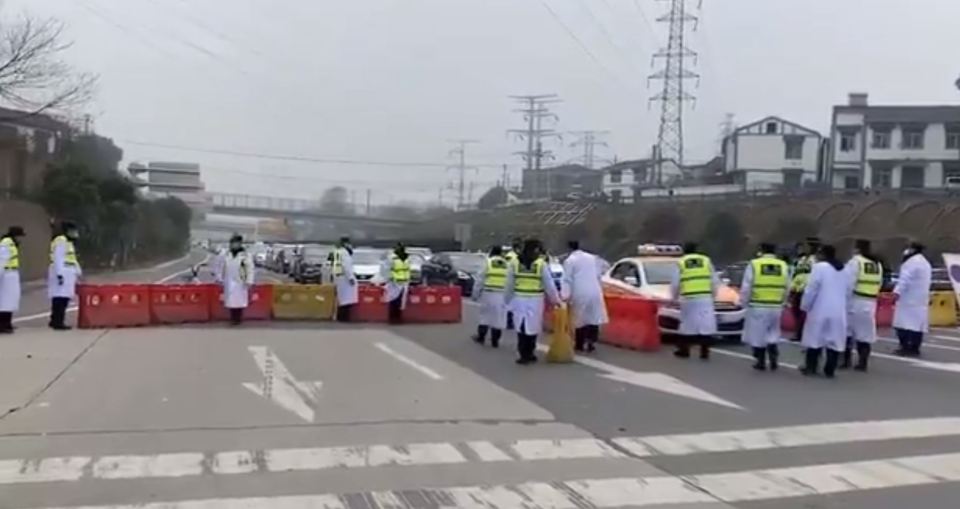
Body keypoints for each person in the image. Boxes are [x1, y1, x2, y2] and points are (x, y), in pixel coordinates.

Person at [504, 239, 561, 365]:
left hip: (519, 298)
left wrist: (506, 300)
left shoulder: (514, 262)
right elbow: (549, 284)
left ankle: (523, 353)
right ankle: (530, 352)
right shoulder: (541, 264)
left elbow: (509, 283)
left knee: (521, 326)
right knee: (533, 326)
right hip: (535, 299)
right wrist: (556, 300)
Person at [799, 244, 848, 378]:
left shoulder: (819, 268)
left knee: (814, 339)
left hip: (820, 308)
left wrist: (805, 305)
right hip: (838, 310)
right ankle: (830, 369)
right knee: (834, 341)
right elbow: (848, 290)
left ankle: (811, 367)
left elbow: (812, 289)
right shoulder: (844, 268)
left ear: (823, 255)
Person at [740, 242, 789, 371]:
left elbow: (746, 286)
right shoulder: (782, 265)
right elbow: (787, 286)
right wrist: (783, 302)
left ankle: (760, 361)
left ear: (761, 250)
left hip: (758, 305)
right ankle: (773, 360)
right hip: (776, 306)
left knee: (758, 335)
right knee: (773, 333)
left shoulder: (755, 264)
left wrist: (744, 302)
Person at [671, 242, 719, 360]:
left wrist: (674, 297)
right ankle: (704, 351)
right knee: (705, 324)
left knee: (687, 323)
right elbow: (714, 280)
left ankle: (684, 350)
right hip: (705, 296)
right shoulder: (706, 260)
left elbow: (676, 283)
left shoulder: (681, 262)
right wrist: (713, 295)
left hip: (688, 297)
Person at [842, 239, 882, 371]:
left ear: (856, 248)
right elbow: (880, 283)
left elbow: (848, 283)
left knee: (848, 331)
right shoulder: (877, 264)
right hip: (870, 302)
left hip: (855, 300)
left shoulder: (855, 262)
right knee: (865, 334)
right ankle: (862, 362)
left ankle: (845, 360)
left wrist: (844, 300)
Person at [562, 240, 608, 353]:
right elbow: (604, 268)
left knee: (579, 318)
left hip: (580, 291)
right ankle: (591, 341)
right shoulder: (592, 258)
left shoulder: (570, 261)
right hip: (595, 290)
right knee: (593, 317)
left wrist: (565, 296)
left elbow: (567, 279)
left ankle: (580, 344)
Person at [893, 241, 932, 357]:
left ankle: (905, 346)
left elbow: (904, 279)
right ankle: (915, 348)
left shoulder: (911, 263)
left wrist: (896, 292)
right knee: (917, 325)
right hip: (921, 299)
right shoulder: (925, 263)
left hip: (909, 299)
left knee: (904, 325)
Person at [48, 221, 82, 331]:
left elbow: (72, 258)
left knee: (64, 297)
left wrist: (78, 271)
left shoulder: (68, 242)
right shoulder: (61, 241)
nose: (75, 233)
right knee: (60, 298)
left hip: (68, 270)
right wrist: (59, 274)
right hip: (62, 270)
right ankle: (57, 321)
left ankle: (56, 320)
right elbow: (58, 258)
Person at [472, 245, 509, 347]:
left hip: (489, 292)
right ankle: (495, 340)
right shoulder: (507, 264)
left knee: (485, 316)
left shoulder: (487, 262)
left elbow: (480, 279)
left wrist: (475, 293)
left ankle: (481, 337)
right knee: (499, 318)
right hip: (502, 293)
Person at [789, 237, 820, 342]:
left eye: (805, 246)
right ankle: (799, 332)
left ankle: (802, 333)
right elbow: (797, 274)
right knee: (796, 311)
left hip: (807, 290)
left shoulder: (815, 260)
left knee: (804, 313)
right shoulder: (801, 260)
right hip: (797, 289)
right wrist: (792, 287)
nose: (803, 248)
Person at [220, 234, 255, 325]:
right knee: (230, 301)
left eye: (236, 243)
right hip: (229, 280)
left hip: (240, 280)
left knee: (239, 301)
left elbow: (250, 268)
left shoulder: (245, 255)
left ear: (239, 244)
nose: (234, 245)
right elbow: (222, 267)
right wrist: (221, 278)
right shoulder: (227, 254)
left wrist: (249, 281)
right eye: (232, 243)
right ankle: (232, 318)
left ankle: (238, 319)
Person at [0, 226, 25, 333]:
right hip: (6, 274)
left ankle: (7, 323)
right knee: (5, 301)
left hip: (12, 273)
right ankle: (2, 324)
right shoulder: (6, 243)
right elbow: (1, 260)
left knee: (11, 300)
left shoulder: (12, 243)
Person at [382, 242, 411, 325]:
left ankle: (398, 318)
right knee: (393, 301)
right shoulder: (392, 258)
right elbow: (387, 269)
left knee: (401, 302)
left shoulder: (406, 258)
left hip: (404, 282)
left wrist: (409, 280)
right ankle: (392, 318)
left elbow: (407, 270)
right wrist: (390, 278)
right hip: (395, 282)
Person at [333, 236, 358, 322]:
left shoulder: (338, 252)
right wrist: (351, 278)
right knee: (347, 299)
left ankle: (341, 317)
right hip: (345, 279)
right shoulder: (344, 253)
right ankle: (345, 318)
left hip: (339, 277)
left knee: (342, 298)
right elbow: (346, 266)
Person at [504, 237, 522, 330]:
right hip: (510, 279)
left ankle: (512, 320)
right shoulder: (510, 256)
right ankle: (509, 321)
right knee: (510, 302)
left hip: (516, 280)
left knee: (514, 302)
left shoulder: (515, 255)